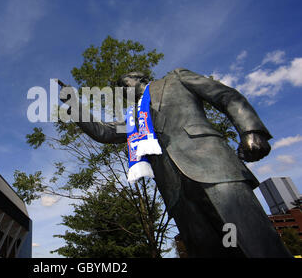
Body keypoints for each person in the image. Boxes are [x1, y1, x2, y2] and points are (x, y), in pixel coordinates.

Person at [60, 68, 292, 257]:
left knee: (256, 243)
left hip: (214, 170)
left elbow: (225, 95)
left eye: (124, 85)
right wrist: (74, 104)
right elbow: (104, 132)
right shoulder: (134, 118)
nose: (122, 91)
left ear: (141, 78)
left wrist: (251, 130)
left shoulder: (177, 79)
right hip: (176, 191)